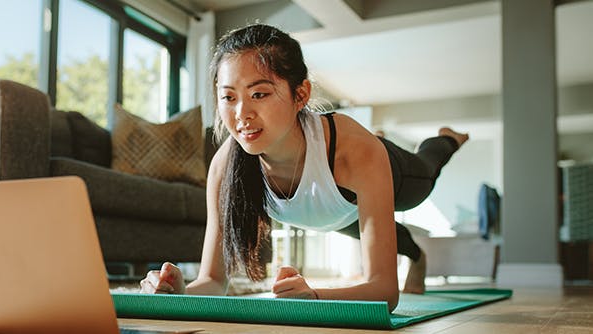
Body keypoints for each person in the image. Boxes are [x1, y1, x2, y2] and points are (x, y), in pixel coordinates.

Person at [139, 23, 469, 311]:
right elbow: (212, 281)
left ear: (301, 94)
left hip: (391, 173)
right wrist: (178, 292)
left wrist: (313, 295)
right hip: (333, 211)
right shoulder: (225, 166)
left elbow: (384, 291)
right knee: (374, 230)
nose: (241, 114)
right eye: (228, 97)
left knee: (427, 172)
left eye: (259, 94)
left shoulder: (355, 152)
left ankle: (446, 139)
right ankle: (417, 255)